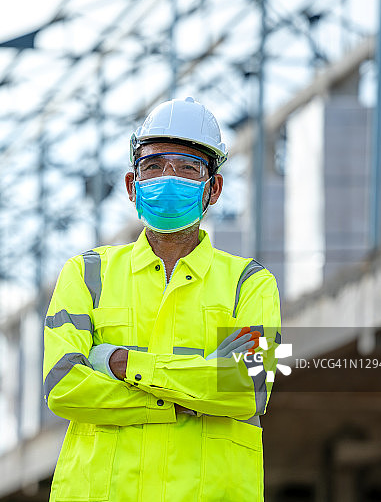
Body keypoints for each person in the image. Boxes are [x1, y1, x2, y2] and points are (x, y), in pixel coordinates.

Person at [42, 97, 282, 501]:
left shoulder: (251, 283)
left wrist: (120, 363)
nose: (167, 179)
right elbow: (63, 387)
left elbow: (247, 388)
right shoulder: (85, 275)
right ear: (131, 186)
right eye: (152, 167)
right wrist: (180, 400)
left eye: (188, 168)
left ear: (214, 189)